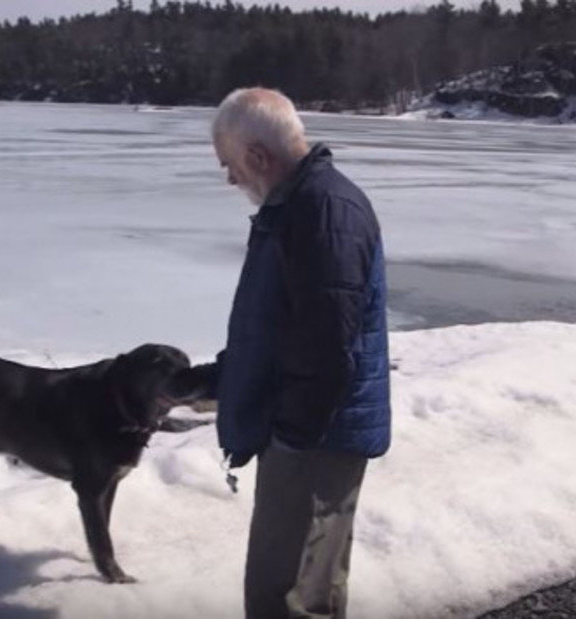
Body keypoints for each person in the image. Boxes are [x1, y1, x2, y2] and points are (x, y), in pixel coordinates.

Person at [199, 87, 392, 619]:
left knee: (292, 596)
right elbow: (280, 325)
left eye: (230, 164)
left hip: (315, 442)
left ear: (258, 157)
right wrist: (224, 378)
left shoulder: (324, 211)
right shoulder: (299, 205)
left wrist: (291, 438)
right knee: (290, 586)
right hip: (306, 434)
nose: (231, 179)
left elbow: (328, 348)